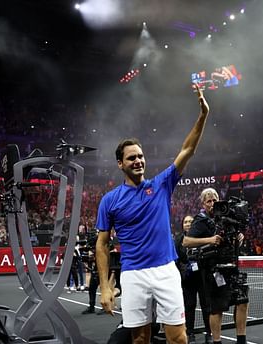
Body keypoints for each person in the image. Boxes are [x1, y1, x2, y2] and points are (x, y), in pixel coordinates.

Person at [96, 83, 210, 344]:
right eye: (131, 158)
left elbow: (187, 149)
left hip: (166, 271)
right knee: (139, 339)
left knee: (178, 338)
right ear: (120, 164)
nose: (138, 161)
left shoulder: (161, 184)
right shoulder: (109, 201)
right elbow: (101, 244)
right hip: (133, 274)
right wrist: (104, 285)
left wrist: (203, 116)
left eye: (140, 156)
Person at [183, 188, 249, 344]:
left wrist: (240, 236)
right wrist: (210, 240)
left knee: (242, 301)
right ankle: (217, 341)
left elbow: (236, 234)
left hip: (231, 265)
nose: (212, 203)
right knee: (216, 308)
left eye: (215, 200)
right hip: (213, 270)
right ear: (203, 204)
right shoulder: (200, 219)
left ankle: (241, 340)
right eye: (209, 201)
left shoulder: (228, 216)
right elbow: (187, 242)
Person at [175, 215, 212, 344]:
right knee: (189, 306)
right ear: (182, 225)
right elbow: (176, 259)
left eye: (191, 221)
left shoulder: (201, 237)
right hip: (187, 279)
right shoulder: (178, 239)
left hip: (202, 276)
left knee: (206, 305)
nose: (188, 224)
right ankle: (190, 333)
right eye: (185, 222)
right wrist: (182, 271)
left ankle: (209, 333)